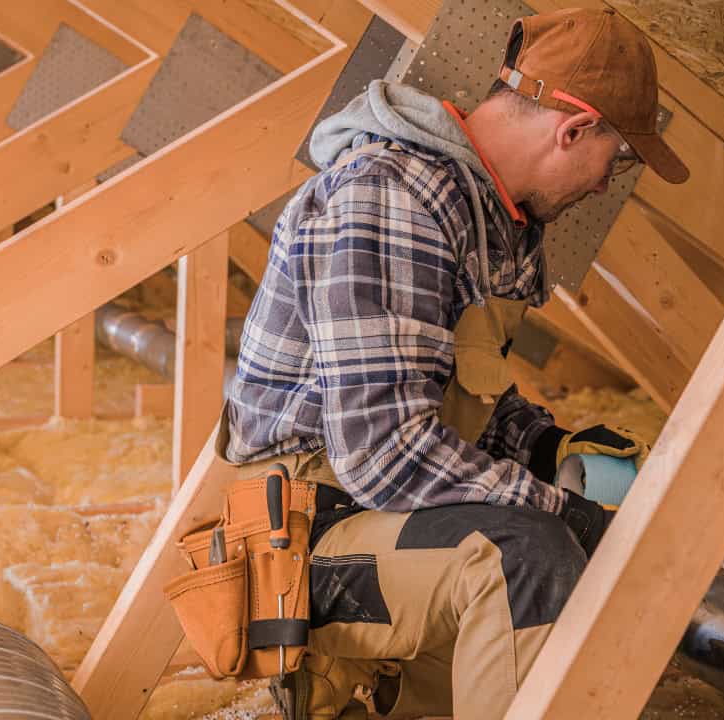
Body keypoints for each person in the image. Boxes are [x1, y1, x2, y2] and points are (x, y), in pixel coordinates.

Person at [219, 8, 689, 719]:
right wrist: (573, 515)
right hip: (308, 543)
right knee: (522, 556)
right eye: (615, 158)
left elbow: (456, 392)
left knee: (532, 535)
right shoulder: (393, 198)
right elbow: (384, 451)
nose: (603, 185)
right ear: (574, 128)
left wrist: (546, 446)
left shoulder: (483, 214)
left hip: (379, 517)